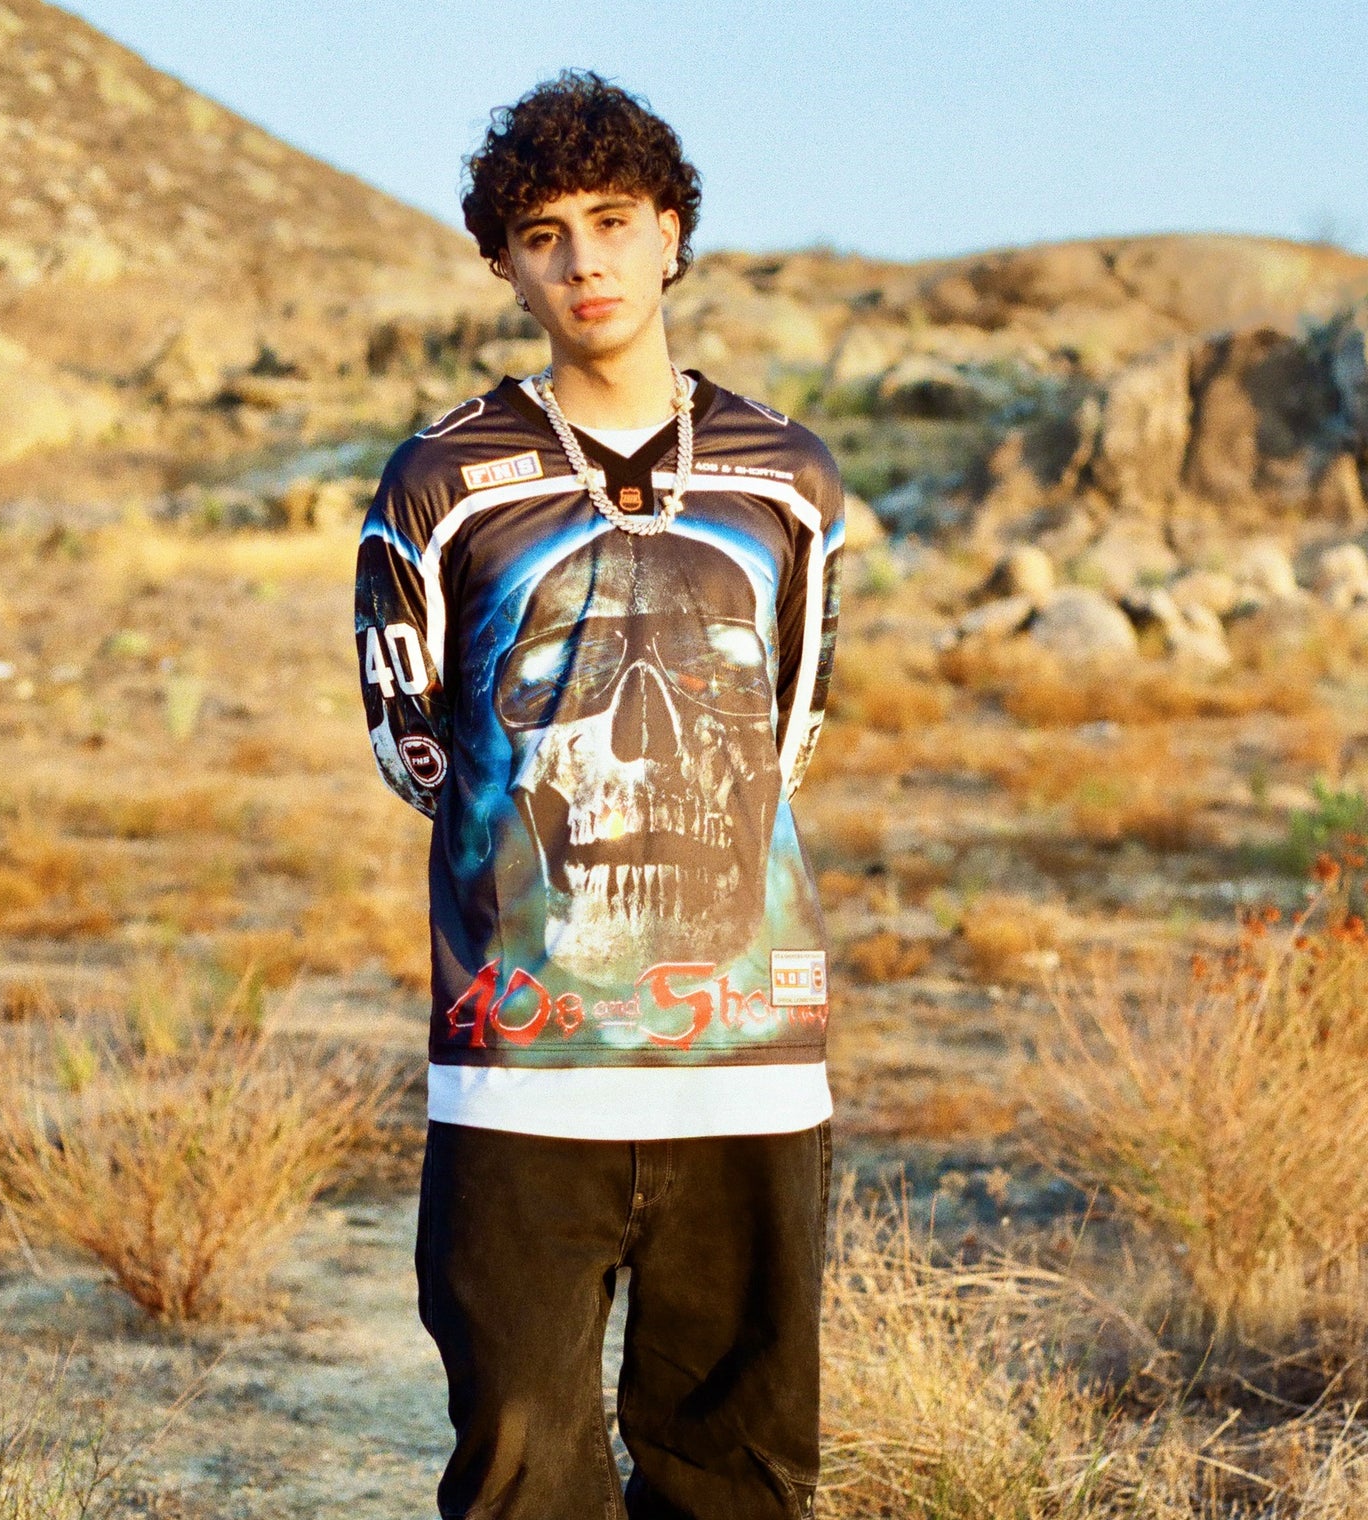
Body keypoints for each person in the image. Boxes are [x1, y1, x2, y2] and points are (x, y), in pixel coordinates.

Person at [354, 69, 845, 1520]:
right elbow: (410, 741)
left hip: (748, 1055)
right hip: (522, 1061)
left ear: (673, 233)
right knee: (518, 1466)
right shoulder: (441, 481)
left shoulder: (789, 480)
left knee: (741, 1471)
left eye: (614, 221)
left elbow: (788, 728)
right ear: (505, 266)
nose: (585, 262)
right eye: (545, 234)